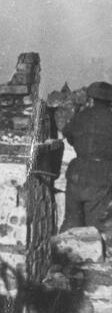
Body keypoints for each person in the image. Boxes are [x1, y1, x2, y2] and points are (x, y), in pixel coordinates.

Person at [62, 81, 112, 233]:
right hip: (101, 176)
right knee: (96, 229)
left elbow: (68, 134)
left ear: (91, 98)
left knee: (72, 225)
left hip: (77, 172)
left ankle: (65, 255)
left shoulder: (81, 116)